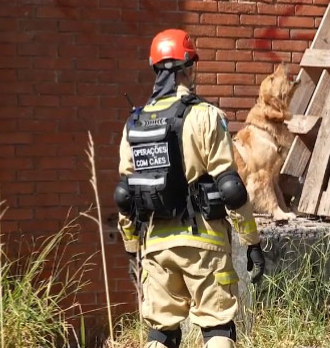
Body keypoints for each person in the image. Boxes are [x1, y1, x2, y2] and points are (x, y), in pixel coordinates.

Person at [114, 29, 266, 348]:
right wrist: (251, 241)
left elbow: (125, 198)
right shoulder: (206, 116)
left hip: (155, 246)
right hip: (205, 242)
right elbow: (231, 188)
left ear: (155, 68)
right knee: (217, 327)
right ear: (189, 68)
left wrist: (132, 251)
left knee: (161, 333)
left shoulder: (135, 124)